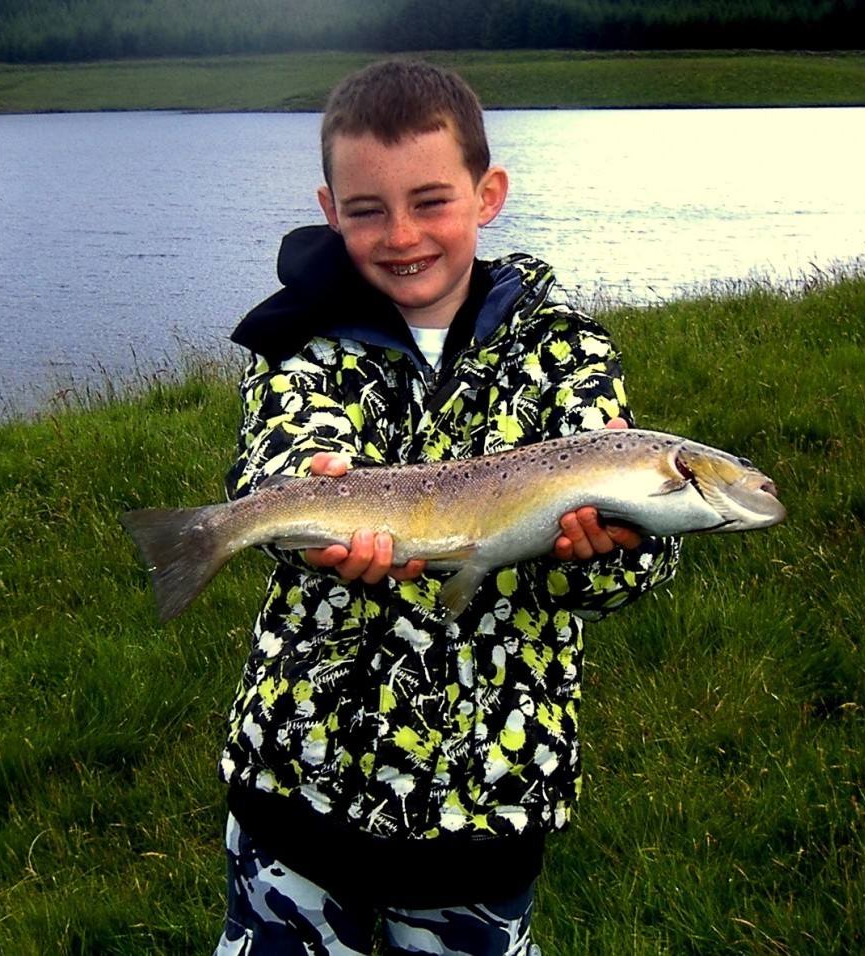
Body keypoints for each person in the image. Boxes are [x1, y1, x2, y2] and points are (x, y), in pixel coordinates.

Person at [214, 58, 681, 956]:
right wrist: (310, 497)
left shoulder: (566, 353)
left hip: (491, 800)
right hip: (300, 790)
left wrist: (611, 553)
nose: (401, 236)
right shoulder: (294, 342)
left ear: (488, 193)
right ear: (328, 210)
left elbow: (640, 564)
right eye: (366, 211)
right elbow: (275, 459)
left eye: (431, 201)